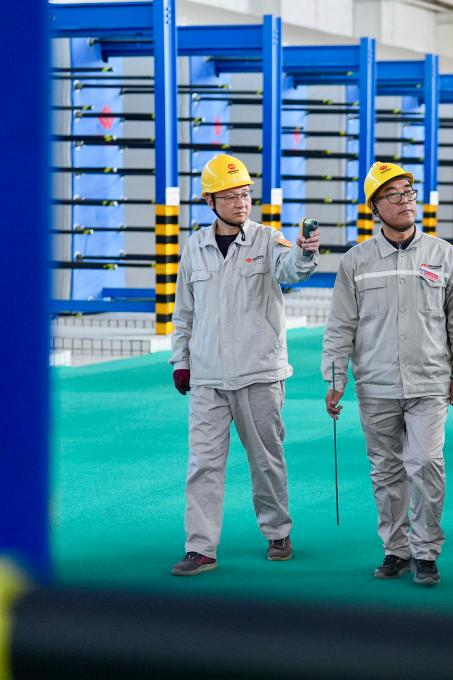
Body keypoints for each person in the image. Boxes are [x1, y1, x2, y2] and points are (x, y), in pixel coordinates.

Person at [322, 161, 453, 586]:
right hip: (376, 384)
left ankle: (426, 552)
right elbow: (340, 325)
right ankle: (396, 549)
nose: (405, 201)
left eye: (408, 192)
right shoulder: (356, 262)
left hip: (429, 381)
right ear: (374, 207)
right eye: (393, 195)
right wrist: (335, 380)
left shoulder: (443, 255)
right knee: (386, 470)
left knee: (425, 462)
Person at [169, 154, 320, 576]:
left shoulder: (268, 240)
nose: (241, 203)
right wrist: (181, 360)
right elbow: (184, 313)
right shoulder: (194, 248)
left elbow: (292, 270)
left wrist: (306, 252)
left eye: (246, 195)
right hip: (208, 377)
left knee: (266, 459)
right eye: (231, 196)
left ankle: (277, 532)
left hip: (259, 373)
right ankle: (200, 548)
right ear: (209, 201)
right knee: (203, 465)